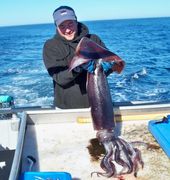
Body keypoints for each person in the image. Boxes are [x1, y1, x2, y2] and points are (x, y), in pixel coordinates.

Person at [43, 6, 122, 109]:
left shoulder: (93, 39)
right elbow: (59, 78)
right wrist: (76, 68)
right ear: (56, 27)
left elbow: (111, 65)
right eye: (62, 26)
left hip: (99, 102)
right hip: (67, 107)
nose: (67, 30)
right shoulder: (51, 46)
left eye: (70, 23)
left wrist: (110, 66)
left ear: (76, 21)